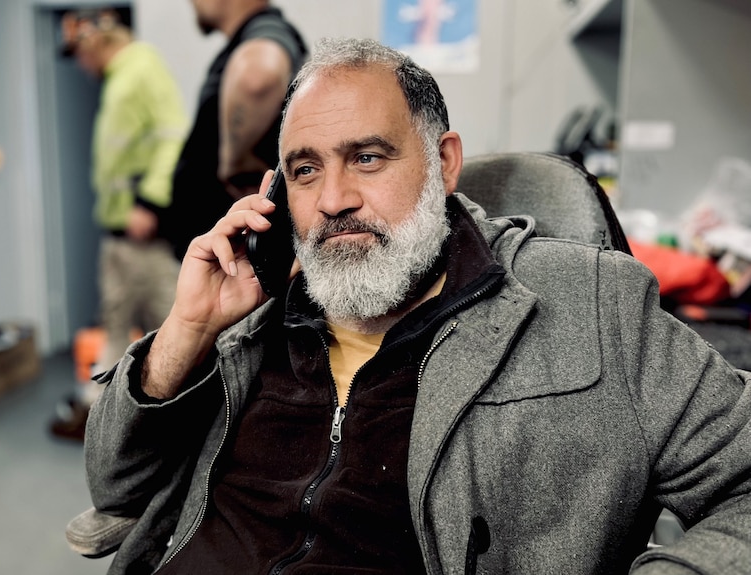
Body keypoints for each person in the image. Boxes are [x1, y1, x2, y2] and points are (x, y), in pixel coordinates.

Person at [84, 38, 751, 575]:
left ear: (444, 161)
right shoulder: (247, 319)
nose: (334, 198)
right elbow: (111, 486)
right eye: (306, 169)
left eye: (367, 157)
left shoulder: (590, 303)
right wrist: (188, 329)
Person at [50, 8, 188, 440]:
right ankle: (105, 418)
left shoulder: (141, 68)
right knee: (116, 322)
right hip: (118, 234)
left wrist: (149, 200)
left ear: (95, 41)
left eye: (78, 52)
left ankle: (187, 416)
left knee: (171, 323)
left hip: (140, 233)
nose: (79, 63)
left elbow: (173, 133)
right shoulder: (118, 78)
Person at [164, 0, 307, 259]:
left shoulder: (265, 29)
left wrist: (234, 165)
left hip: (235, 256)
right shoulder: (251, 36)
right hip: (224, 252)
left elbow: (257, 78)